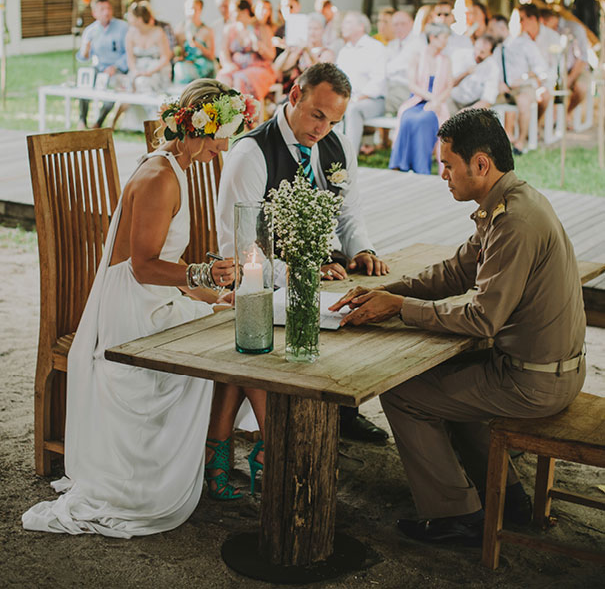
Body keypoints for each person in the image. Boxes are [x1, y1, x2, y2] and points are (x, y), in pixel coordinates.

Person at [331, 108, 586, 546]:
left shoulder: (514, 221)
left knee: (403, 393)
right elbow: (454, 273)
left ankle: (457, 515)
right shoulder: (509, 202)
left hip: (536, 380)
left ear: (480, 165)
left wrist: (400, 308)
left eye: (448, 165)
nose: (442, 174)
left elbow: (482, 319)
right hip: (541, 368)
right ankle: (505, 495)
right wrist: (386, 291)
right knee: (442, 382)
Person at [22, 80, 265, 537]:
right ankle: (254, 453)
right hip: (131, 309)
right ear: (201, 126)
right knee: (226, 340)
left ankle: (235, 451)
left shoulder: (178, 168)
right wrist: (205, 277)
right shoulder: (159, 177)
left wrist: (211, 293)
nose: (226, 146)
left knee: (233, 320)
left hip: (150, 297)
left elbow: (163, 267)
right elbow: (143, 267)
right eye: (224, 134)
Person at [217, 62, 390, 444]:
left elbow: (350, 212)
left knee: (367, 302)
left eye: (332, 122)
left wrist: (361, 248)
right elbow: (238, 246)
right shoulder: (252, 153)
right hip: (260, 284)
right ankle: (296, 423)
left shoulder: (337, 145)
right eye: (317, 115)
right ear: (295, 95)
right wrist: (291, 274)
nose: (322, 130)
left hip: (324, 268)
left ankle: (343, 412)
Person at [389, 23, 452, 174]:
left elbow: (449, 86)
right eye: (444, 38)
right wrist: (431, 97)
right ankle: (401, 163)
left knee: (425, 119)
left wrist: (436, 101)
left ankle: (421, 167)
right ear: (433, 38)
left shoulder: (446, 60)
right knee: (408, 117)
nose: (446, 42)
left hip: (437, 104)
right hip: (417, 100)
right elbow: (412, 85)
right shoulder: (417, 57)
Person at [487, 13, 549, 153]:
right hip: (503, 89)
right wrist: (498, 84)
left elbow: (541, 68)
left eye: (492, 30)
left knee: (523, 101)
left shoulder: (524, 44)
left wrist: (523, 78)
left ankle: (520, 142)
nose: (489, 33)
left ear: (502, 28)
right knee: (485, 101)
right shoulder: (496, 50)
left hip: (523, 87)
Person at [112, 1, 173, 129]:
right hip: (138, 70)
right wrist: (135, 71)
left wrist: (148, 72)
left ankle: (156, 123)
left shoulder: (158, 32)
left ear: (139, 19)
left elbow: (165, 57)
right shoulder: (130, 34)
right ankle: (113, 122)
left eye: (131, 16)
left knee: (142, 83)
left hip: (157, 70)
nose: (128, 18)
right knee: (127, 84)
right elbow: (130, 58)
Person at [336, 12, 386, 155]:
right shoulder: (344, 51)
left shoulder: (375, 48)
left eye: (348, 22)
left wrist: (356, 99)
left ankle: (349, 157)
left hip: (372, 101)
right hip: (347, 99)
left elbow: (378, 81)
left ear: (361, 27)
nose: (343, 26)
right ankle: (331, 154)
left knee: (352, 109)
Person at [76, 0, 128, 129]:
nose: (106, 12)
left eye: (108, 9)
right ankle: (82, 120)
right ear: (94, 13)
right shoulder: (90, 30)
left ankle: (99, 122)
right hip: (99, 68)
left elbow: (128, 53)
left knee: (112, 87)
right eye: (102, 9)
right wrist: (85, 50)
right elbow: (83, 57)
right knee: (84, 83)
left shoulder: (123, 27)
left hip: (116, 69)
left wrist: (115, 67)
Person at [217, 0, 276, 99]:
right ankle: (223, 111)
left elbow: (271, 55)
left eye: (233, 12)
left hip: (258, 68)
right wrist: (229, 65)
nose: (230, 15)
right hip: (236, 67)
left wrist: (261, 48)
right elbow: (223, 52)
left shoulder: (261, 28)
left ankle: (243, 112)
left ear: (245, 12)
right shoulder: (230, 29)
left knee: (240, 79)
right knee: (223, 78)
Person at [540, 8, 591, 120]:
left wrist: (570, 79)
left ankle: (566, 113)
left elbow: (582, 58)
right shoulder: (545, 33)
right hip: (555, 69)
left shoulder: (574, 29)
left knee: (581, 87)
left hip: (575, 68)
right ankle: (552, 118)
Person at [384, 10, 425, 115]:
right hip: (391, 87)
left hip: (408, 89)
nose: (399, 27)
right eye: (395, 24)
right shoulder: (392, 45)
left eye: (403, 24)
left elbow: (390, 68)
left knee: (379, 99)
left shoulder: (418, 43)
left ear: (411, 24)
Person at [450, 34, 499, 111]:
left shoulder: (493, 68)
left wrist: (466, 112)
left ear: (490, 53)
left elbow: (488, 99)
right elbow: (449, 84)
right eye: (476, 49)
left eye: (482, 52)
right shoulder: (459, 55)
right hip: (452, 100)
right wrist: (466, 73)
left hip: (473, 105)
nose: (477, 54)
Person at [174, 0, 216, 83]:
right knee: (179, 68)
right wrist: (179, 56)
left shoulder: (206, 30)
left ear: (200, 10)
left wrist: (198, 45)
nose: (192, 12)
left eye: (196, 9)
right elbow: (178, 51)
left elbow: (211, 56)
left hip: (202, 64)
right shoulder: (179, 29)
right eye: (190, 9)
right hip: (186, 63)